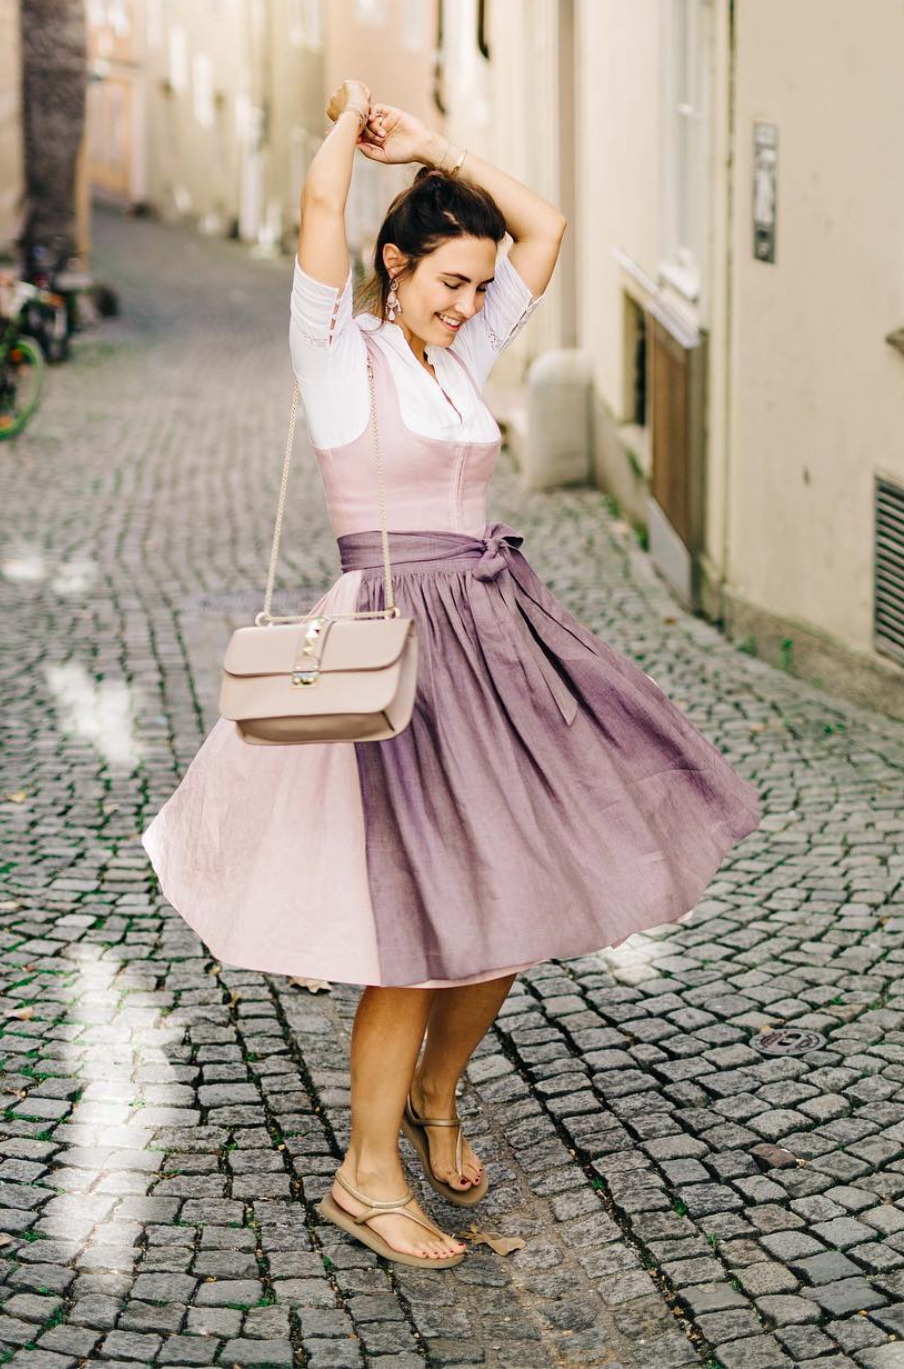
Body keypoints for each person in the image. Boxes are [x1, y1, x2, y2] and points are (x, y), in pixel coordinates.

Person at [141, 78, 763, 1270]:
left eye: (478, 285)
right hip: (393, 657)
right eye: (447, 280)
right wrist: (352, 128)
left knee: (509, 906)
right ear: (392, 267)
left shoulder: (458, 350)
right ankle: (363, 1176)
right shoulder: (337, 354)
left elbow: (548, 229)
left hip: (496, 635)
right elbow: (323, 199)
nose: (472, 301)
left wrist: (438, 150)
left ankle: (434, 1094)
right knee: (418, 926)